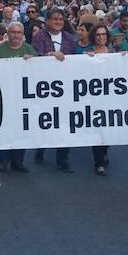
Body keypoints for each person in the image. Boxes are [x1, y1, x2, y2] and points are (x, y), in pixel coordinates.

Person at [31, 9, 77, 171]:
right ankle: (41, 147)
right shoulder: (39, 36)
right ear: (48, 21)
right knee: (46, 119)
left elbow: (76, 58)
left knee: (64, 121)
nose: (58, 21)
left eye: (60, 19)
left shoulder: (70, 39)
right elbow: (35, 54)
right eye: (55, 19)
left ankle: (62, 157)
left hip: (65, 86)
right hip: (45, 86)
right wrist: (49, 54)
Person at [0, 22, 35, 173]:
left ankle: (18, 161)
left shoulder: (28, 49)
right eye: (13, 32)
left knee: (21, 129)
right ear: (7, 33)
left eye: (19, 32)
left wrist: (31, 61)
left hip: (23, 95)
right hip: (4, 95)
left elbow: (40, 68)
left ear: (22, 34)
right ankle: (3, 160)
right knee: (6, 128)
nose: (16, 35)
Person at [86, 25, 114, 175]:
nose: (101, 37)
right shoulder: (88, 52)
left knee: (108, 128)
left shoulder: (114, 51)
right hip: (94, 97)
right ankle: (99, 162)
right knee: (97, 129)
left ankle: (104, 151)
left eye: (103, 34)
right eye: (98, 35)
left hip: (111, 97)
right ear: (94, 36)